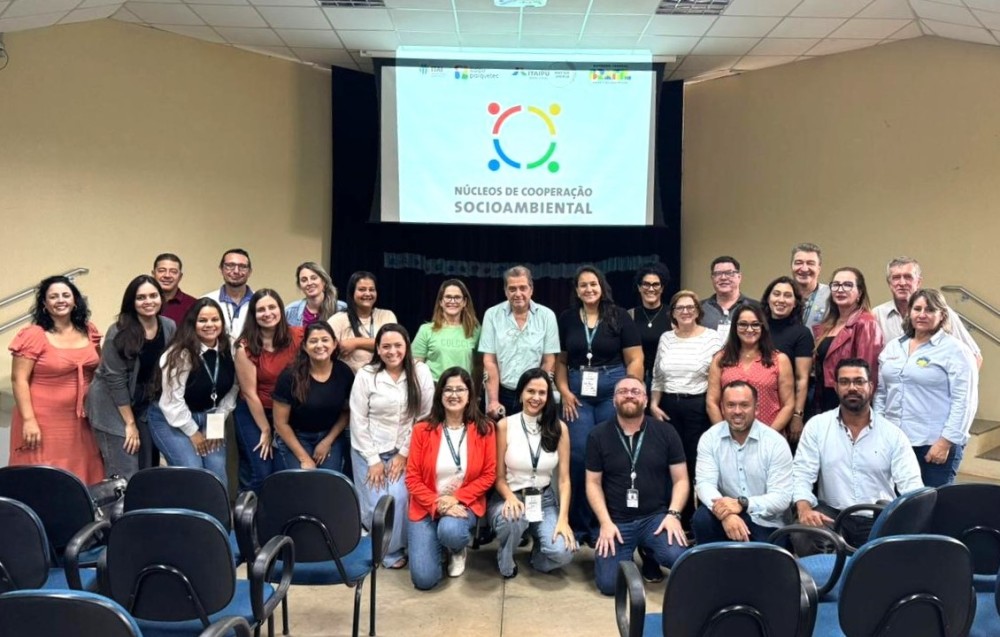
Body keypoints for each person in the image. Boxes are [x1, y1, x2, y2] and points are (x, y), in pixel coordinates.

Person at [555, 265, 643, 542]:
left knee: (608, 456)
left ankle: (602, 525)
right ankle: (580, 526)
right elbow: (560, 361)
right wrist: (564, 391)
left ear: (601, 286)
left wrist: (627, 392)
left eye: (593, 284)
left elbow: (636, 359)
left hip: (611, 392)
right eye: (583, 285)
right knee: (579, 457)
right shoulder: (567, 318)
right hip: (576, 397)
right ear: (577, 290)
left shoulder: (619, 317)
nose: (589, 289)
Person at [795, 359, 923, 548]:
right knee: (803, 533)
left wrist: (903, 519)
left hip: (877, 517)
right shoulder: (817, 426)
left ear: (870, 386)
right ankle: (828, 577)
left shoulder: (893, 434)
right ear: (836, 387)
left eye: (859, 381)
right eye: (845, 382)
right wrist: (804, 509)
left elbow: (912, 486)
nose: (852, 388)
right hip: (832, 516)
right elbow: (802, 474)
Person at [585, 376, 688, 596]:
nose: (629, 395)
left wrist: (673, 515)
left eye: (635, 391)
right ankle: (626, 553)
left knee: (679, 558)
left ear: (645, 398)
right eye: (623, 391)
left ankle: (649, 551)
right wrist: (604, 522)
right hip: (616, 521)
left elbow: (681, 480)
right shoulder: (598, 435)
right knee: (609, 585)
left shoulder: (666, 432)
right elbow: (592, 483)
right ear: (613, 400)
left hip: (655, 519)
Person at [350, 324, 434, 569]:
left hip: (406, 449)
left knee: (398, 498)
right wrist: (373, 458)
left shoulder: (421, 372)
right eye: (386, 346)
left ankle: (392, 550)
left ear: (407, 347)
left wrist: (404, 453)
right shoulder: (367, 374)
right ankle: (378, 546)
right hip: (368, 449)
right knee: (375, 504)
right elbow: (358, 418)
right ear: (377, 348)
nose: (392, 351)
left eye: (398, 345)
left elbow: (424, 416)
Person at [874, 289, 978, 487]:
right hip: (895, 442)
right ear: (909, 313)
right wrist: (880, 430)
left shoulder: (956, 350)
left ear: (942, 315)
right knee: (898, 508)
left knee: (935, 507)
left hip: (933, 444)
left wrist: (945, 442)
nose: (922, 314)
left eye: (930, 310)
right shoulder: (894, 347)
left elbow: (965, 401)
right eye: (917, 308)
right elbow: (881, 393)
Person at [8, 275, 105, 484]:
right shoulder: (34, 335)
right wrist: (28, 420)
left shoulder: (89, 331)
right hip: (42, 421)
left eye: (65, 295)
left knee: (85, 472)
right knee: (43, 477)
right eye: (53, 297)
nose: (60, 300)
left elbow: (101, 368)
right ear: (44, 304)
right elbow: (18, 379)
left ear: (75, 300)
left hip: (83, 421)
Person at [406, 367, 496, 590]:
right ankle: (439, 544)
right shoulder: (422, 430)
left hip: (462, 505)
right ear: (440, 394)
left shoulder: (485, 429)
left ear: (470, 395)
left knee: (451, 532)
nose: (454, 395)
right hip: (427, 506)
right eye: (448, 389)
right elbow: (412, 478)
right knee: (424, 580)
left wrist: (456, 498)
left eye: (460, 389)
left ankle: (455, 547)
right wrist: (439, 504)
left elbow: (489, 475)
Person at [489, 369, 575, 579]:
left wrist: (563, 519)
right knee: (514, 518)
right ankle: (506, 555)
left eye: (542, 393)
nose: (536, 398)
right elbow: (498, 477)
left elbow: (564, 480)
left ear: (548, 397)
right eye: (530, 391)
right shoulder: (504, 425)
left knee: (563, 554)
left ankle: (537, 555)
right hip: (510, 496)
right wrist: (510, 497)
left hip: (543, 500)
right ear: (520, 394)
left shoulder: (559, 428)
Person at [87, 275, 177, 477]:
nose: (148, 302)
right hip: (112, 404)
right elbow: (115, 380)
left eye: (153, 296)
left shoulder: (169, 326)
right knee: (125, 466)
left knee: (147, 465)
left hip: (144, 402)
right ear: (132, 302)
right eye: (141, 297)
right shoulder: (118, 331)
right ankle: (118, 509)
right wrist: (129, 424)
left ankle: (142, 508)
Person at [649, 290, 723, 530]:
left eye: (690, 307)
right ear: (673, 313)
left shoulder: (712, 338)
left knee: (695, 464)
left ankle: (699, 522)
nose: (686, 311)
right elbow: (658, 375)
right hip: (668, 407)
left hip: (698, 407)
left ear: (698, 310)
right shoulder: (666, 338)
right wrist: (653, 404)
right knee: (669, 463)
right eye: (680, 308)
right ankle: (674, 515)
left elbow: (718, 378)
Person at [147, 298, 239, 490]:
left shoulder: (229, 347)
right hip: (170, 418)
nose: (210, 325)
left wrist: (216, 422)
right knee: (193, 471)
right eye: (203, 320)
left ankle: (218, 519)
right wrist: (193, 433)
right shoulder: (179, 354)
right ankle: (190, 519)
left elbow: (233, 389)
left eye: (215, 319)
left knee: (216, 473)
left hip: (210, 414)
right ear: (192, 324)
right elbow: (172, 402)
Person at [693, 381, 793, 544]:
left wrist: (743, 504)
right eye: (731, 405)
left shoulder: (775, 442)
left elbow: (782, 498)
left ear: (757, 408)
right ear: (723, 408)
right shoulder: (710, 438)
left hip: (767, 522)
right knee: (702, 518)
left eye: (744, 405)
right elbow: (704, 484)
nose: (737, 411)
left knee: (765, 563)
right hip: (727, 517)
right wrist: (727, 514)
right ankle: (712, 568)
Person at [233, 289, 303, 492]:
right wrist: (266, 429)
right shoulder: (245, 346)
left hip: (288, 413)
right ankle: (246, 520)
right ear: (254, 315)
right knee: (260, 472)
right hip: (255, 412)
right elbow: (249, 393)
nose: (267, 313)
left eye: (272, 307)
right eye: (260, 309)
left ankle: (274, 520)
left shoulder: (299, 336)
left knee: (282, 472)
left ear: (280, 309)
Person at [479, 265, 560, 419]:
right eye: (512, 289)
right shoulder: (492, 315)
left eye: (523, 288)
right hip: (502, 392)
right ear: (505, 291)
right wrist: (494, 401)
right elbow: (489, 361)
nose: (518, 294)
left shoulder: (547, 316)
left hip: (533, 394)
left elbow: (549, 361)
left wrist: (538, 393)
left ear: (531, 289)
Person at [272, 323, 354, 471]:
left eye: (325, 340)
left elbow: (346, 412)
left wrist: (327, 441)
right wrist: (304, 458)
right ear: (304, 346)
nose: (319, 345)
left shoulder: (344, 372)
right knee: (304, 482)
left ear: (334, 343)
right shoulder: (290, 376)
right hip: (296, 437)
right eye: (313, 341)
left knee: (328, 482)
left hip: (330, 436)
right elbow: (280, 424)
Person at [873, 257, 982, 367]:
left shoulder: (941, 313)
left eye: (908, 277)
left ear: (918, 282)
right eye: (896, 278)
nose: (902, 283)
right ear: (889, 283)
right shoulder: (877, 315)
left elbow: (974, 357)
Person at [707, 303, 794, 433]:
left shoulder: (779, 360)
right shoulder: (721, 359)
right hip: (730, 436)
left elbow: (788, 405)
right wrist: (723, 434)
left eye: (755, 324)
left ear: (763, 327)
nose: (749, 329)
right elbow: (711, 402)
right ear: (735, 327)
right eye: (743, 324)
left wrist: (768, 436)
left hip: (770, 436)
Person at [812, 267, 883, 413]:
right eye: (836, 285)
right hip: (824, 399)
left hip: (851, 400)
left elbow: (867, 372)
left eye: (847, 285)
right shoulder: (828, 324)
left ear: (860, 292)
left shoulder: (866, 323)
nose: (840, 289)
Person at [761, 276, 813, 443]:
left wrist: (797, 415)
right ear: (768, 298)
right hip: (758, 402)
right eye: (776, 294)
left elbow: (802, 378)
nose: (781, 300)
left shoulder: (802, 333)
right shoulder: (756, 328)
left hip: (786, 407)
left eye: (787, 295)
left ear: (796, 302)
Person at [412, 279, 481, 381]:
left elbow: (480, 365)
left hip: (463, 390)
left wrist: (474, 392)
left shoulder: (475, 331)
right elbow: (415, 366)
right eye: (448, 297)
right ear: (441, 302)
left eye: (457, 297)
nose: (452, 301)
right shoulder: (426, 330)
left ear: (464, 302)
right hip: (433, 389)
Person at [329, 271, 397, 374]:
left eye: (372, 290)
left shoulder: (386, 315)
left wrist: (356, 342)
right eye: (362, 289)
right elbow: (326, 348)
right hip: (349, 381)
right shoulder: (338, 320)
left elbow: (392, 344)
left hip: (383, 380)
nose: (368, 293)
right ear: (352, 293)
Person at [627, 263, 673, 394]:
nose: (651, 289)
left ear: (662, 288)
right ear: (639, 287)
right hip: (637, 379)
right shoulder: (630, 315)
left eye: (656, 284)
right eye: (646, 284)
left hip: (665, 381)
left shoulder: (673, 315)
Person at [203, 248, 253, 341]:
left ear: (249, 272)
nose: (236, 271)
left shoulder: (261, 303)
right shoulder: (205, 301)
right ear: (221, 269)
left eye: (242, 266)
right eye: (230, 265)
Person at [285, 261, 346, 328]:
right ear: (300, 286)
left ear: (324, 281)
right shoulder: (290, 311)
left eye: (314, 278)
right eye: (304, 280)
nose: (309, 283)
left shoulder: (341, 308)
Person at [700, 256, 750, 334]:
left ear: (739, 277)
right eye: (718, 273)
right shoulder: (699, 308)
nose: (723, 277)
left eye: (729, 273)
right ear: (712, 278)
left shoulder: (754, 307)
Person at [790, 243, 830, 329]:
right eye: (798, 263)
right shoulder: (781, 295)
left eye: (810, 263)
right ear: (791, 266)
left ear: (819, 269)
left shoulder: (831, 295)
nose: (804, 268)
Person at [152, 253, 196, 325]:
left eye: (173, 272)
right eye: (162, 270)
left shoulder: (193, 305)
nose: (167, 275)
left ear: (180, 276)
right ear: (153, 274)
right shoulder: (143, 303)